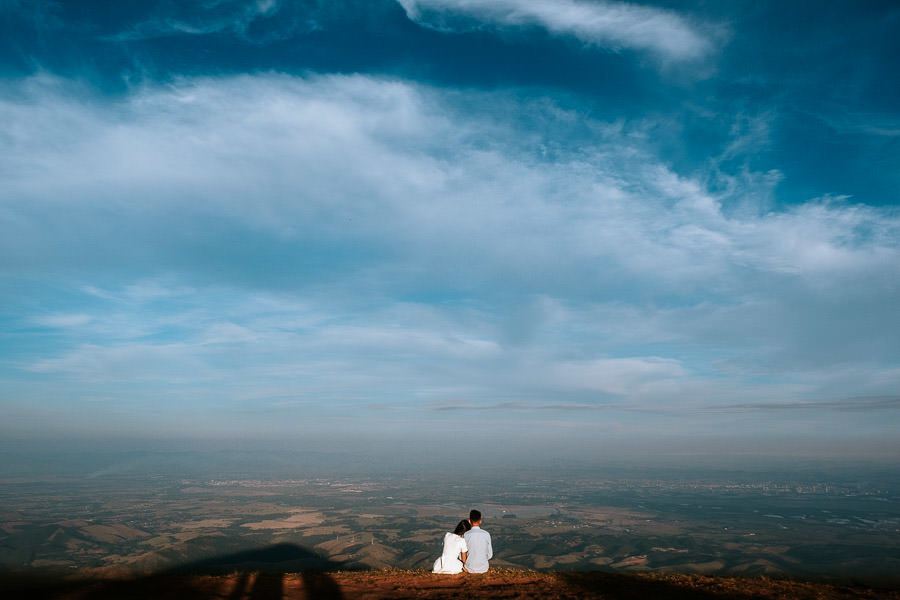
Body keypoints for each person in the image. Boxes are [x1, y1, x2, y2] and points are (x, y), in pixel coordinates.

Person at [463, 509, 492, 573]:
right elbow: (490, 555)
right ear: (480, 521)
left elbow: (462, 555)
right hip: (484, 568)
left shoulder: (466, 535)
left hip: (469, 568)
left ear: (469, 521)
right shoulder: (486, 534)